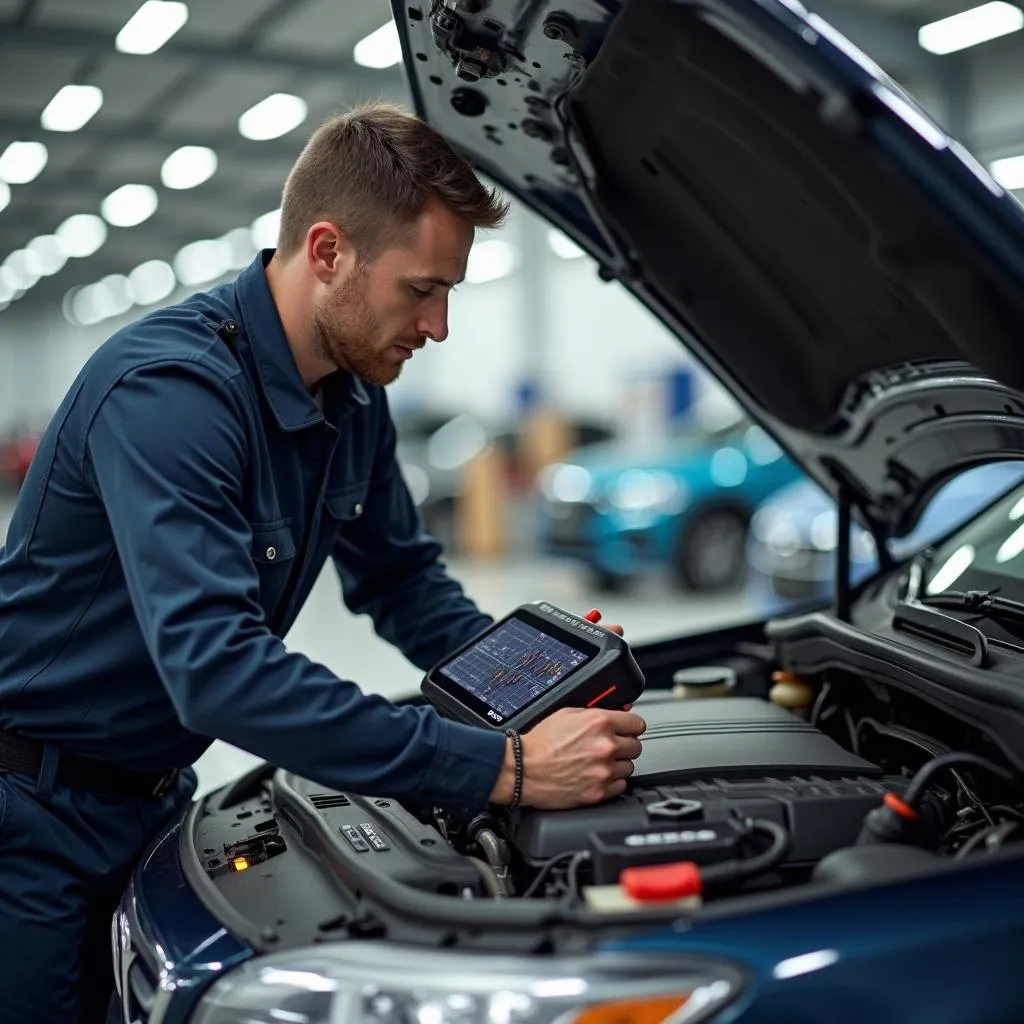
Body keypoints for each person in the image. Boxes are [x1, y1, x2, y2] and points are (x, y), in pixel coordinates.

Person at [0, 102, 646, 1023]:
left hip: (150, 797)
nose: (441, 325)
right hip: (29, 819)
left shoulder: (353, 403)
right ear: (330, 250)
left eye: (451, 292)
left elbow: (402, 584)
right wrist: (500, 766)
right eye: (421, 289)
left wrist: (537, 680)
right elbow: (219, 672)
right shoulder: (172, 396)